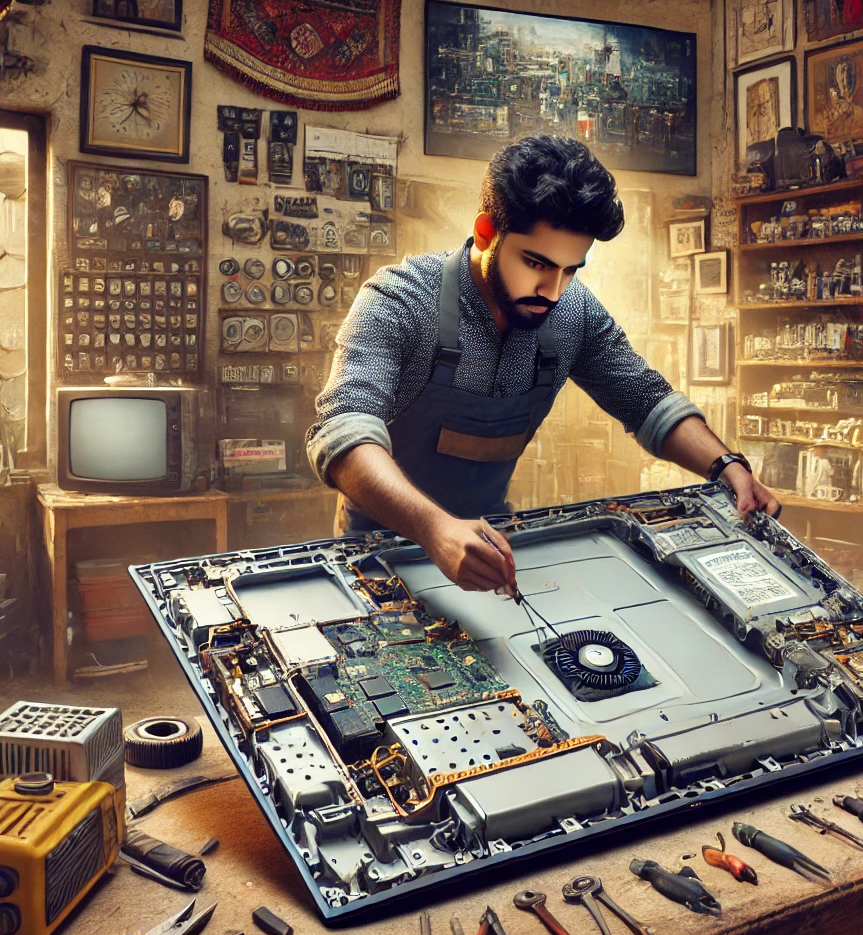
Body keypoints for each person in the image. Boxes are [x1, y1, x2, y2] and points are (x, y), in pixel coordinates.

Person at [305, 134, 780, 593]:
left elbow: (645, 400)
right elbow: (343, 434)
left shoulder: (573, 312)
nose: (553, 290)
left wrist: (727, 467)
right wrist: (435, 528)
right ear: (486, 232)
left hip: (494, 553)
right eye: (536, 263)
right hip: (377, 557)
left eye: (570, 269)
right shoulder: (400, 300)